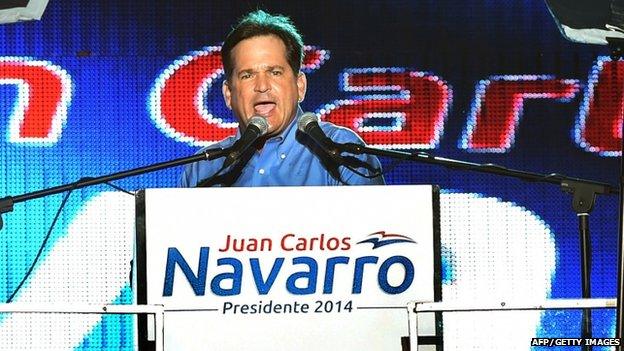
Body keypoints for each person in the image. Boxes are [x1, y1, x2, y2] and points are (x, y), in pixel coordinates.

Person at [179, 10, 385, 187]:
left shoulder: (341, 151)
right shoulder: (202, 169)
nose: (262, 86)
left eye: (275, 72)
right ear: (228, 94)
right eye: (247, 75)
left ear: (300, 86)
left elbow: (379, 231)